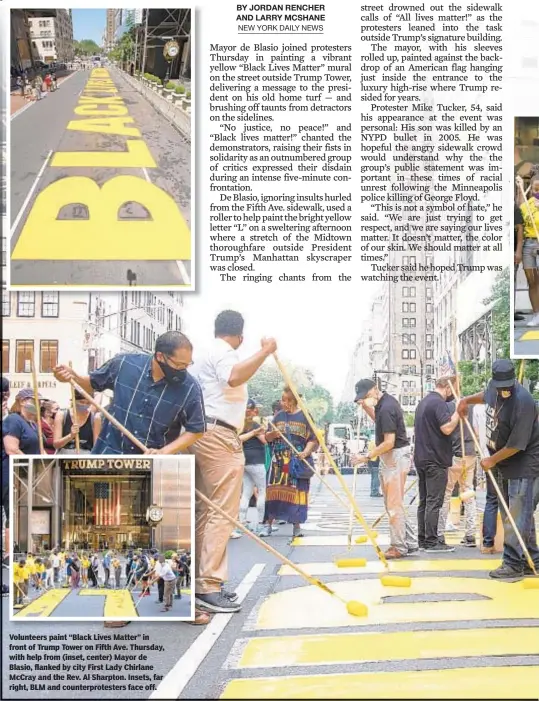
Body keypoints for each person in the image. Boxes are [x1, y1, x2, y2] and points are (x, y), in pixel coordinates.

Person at [191, 310, 277, 616]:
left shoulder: (205, 353)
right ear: (239, 336)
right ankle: (208, 585)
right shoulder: (224, 353)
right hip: (219, 434)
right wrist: (265, 352)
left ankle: (201, 580)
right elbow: (234, 376)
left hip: (203, 433)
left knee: (206, 511)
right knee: (220, 512)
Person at [53, 330, 205, 455]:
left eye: (187, 364)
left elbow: (196, 429)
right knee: (100, 492)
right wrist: (74, 377)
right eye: (178, 364)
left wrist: (165, 451)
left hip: (152, 467)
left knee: (144, 494)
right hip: (108, 458)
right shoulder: (125, 363)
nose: (183, 370)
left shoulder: (189, 387)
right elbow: (92, 383)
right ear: (160, 356)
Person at [457, 359, 539, 578]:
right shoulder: (494, 388)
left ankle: (512, 564)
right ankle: (533, 560)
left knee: (517, 513)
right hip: (502, 459)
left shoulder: (524, 402)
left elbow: (516, 445)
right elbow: (485, 396)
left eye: (507, 387)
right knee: (520, 514)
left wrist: (491, 461)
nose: (503, 391)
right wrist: (466, 400)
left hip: (524, 461)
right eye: (500, 386)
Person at [352, 380, 418, 558]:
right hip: (392, 456)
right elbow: (379, 422)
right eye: (363, 398)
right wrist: (366, 408)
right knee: (395, 504)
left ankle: (399, 546)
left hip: (395, 455)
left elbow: (389, 442)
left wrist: (366, 456)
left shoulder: (387, 407)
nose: (366, 399)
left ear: (375, 389)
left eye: (366, 396)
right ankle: (409, 541)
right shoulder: (383, 404)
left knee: (394, 505)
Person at [414, 377, 461, 552]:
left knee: (425, 501)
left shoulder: (424, 402)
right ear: (447, 387)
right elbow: (447, 428)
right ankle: (432, 541)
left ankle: (423, 538)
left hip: (422, 457)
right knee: (434, 501)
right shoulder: (439, 403)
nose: (454, 393)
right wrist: (458, 413)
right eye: (454, 389)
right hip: (435, 458)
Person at [265, 387, 318, 539]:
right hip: (279, 462)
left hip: (296, 460)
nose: (283, 403)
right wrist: (272, 434)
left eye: (286, 400)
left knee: (297, 492)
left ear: (293, 401)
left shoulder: (305, 417)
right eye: (282, 399)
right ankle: (268, 525)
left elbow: (313, 439)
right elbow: (267, 438)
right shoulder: (278, 417)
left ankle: (296, 526)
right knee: (273, 491)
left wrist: (305, 452)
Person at [437, 403, 478, 547]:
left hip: (455, 454)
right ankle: (471, 534)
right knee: (468, 493)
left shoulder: (449, 407)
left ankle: (440, 533)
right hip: (471, 453)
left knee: (446, 493)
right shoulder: (473, 407)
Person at [238, 400, 268, 537]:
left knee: (246, 492)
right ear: (251, 410)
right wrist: (262, 432)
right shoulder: (255, 424)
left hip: (245, 461)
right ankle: (261, 523)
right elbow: (264, 440)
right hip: (257, 461)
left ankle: (242, 522)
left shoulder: (239, 424)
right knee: (262, 491)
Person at [519, 178, 539, 327]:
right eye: (535, 189)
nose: (537, 192)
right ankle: (536, 314)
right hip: (529, 244)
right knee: (532, 282)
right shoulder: (527, 205)